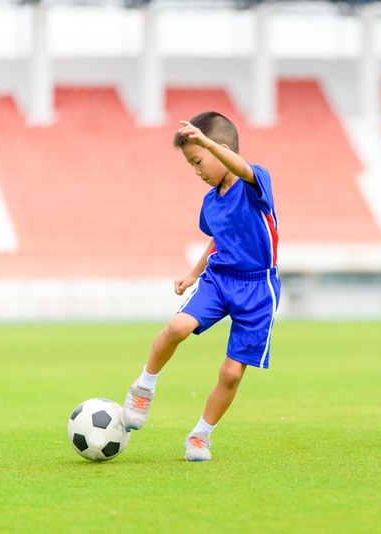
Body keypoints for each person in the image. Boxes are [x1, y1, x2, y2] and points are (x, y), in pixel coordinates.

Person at [121, 111, 280, 462]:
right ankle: (144, 386)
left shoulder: (256, 183)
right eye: (191, 165)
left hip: (257, 289)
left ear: (220, 149)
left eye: (198, 162)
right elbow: (219, 241)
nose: (197, 172)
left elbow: (240, 168)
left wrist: (206, 142)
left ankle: (200, 435)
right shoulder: (210, 203)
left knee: (231, 372)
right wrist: (194, 274)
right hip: (220, 279)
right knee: (178, 325)